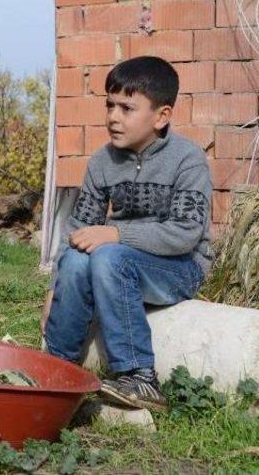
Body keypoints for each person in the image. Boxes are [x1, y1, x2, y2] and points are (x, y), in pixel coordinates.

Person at [42, 56, 212, 411]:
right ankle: (57, 366)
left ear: (162, 116)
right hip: (120, 263)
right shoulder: (103, 162)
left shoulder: (188, 160)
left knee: (108, 254)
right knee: (75, 256)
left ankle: (139, 376)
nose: (113, 117)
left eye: (127, 108)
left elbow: (185, 234)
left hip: (179, 268)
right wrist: (56, 287)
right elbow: (77, 230)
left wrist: (117, 234)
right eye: (109, 105)